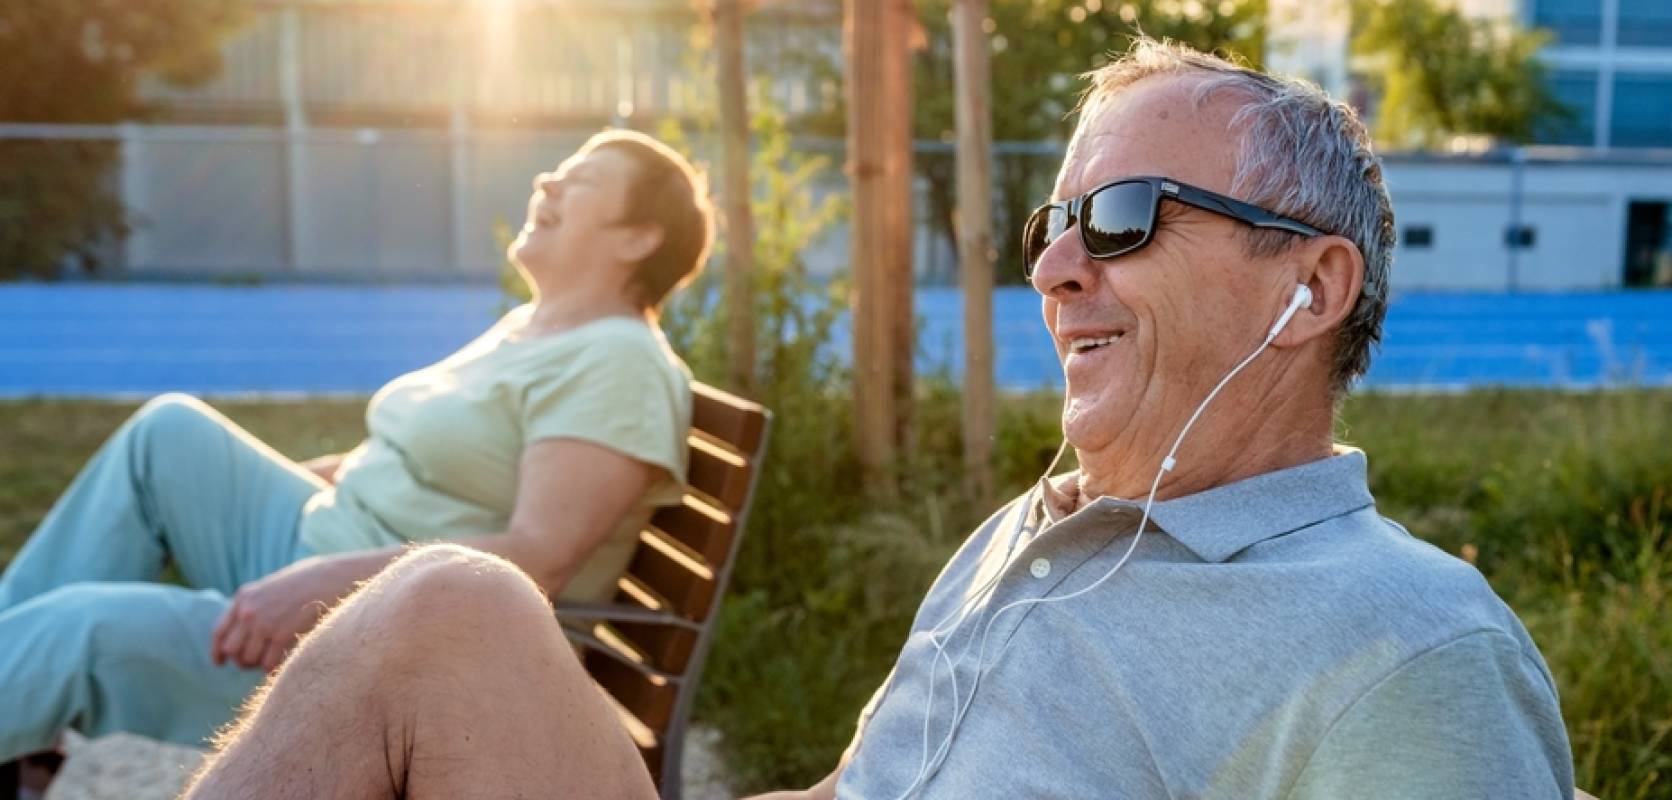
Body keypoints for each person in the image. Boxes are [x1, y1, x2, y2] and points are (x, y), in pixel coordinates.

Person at [183, 40, 1574, 799]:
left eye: (1126, 220)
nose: (1052, 269)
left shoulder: (1406, 647)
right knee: (452, 612)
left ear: (1309, 287)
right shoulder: (1038, 527)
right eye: (1053, 224)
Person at [0, 129, 711, 766]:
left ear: (637, 238)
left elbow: (540, 559)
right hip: (329, 539)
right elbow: (414, 457)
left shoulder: (620, 363)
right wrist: (260, 490)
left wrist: (325, 585)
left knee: (84, 632)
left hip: (388, 637)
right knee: (170, 434)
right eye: (557, 167)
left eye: (581, 178)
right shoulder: (532, 328)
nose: (547, 182)